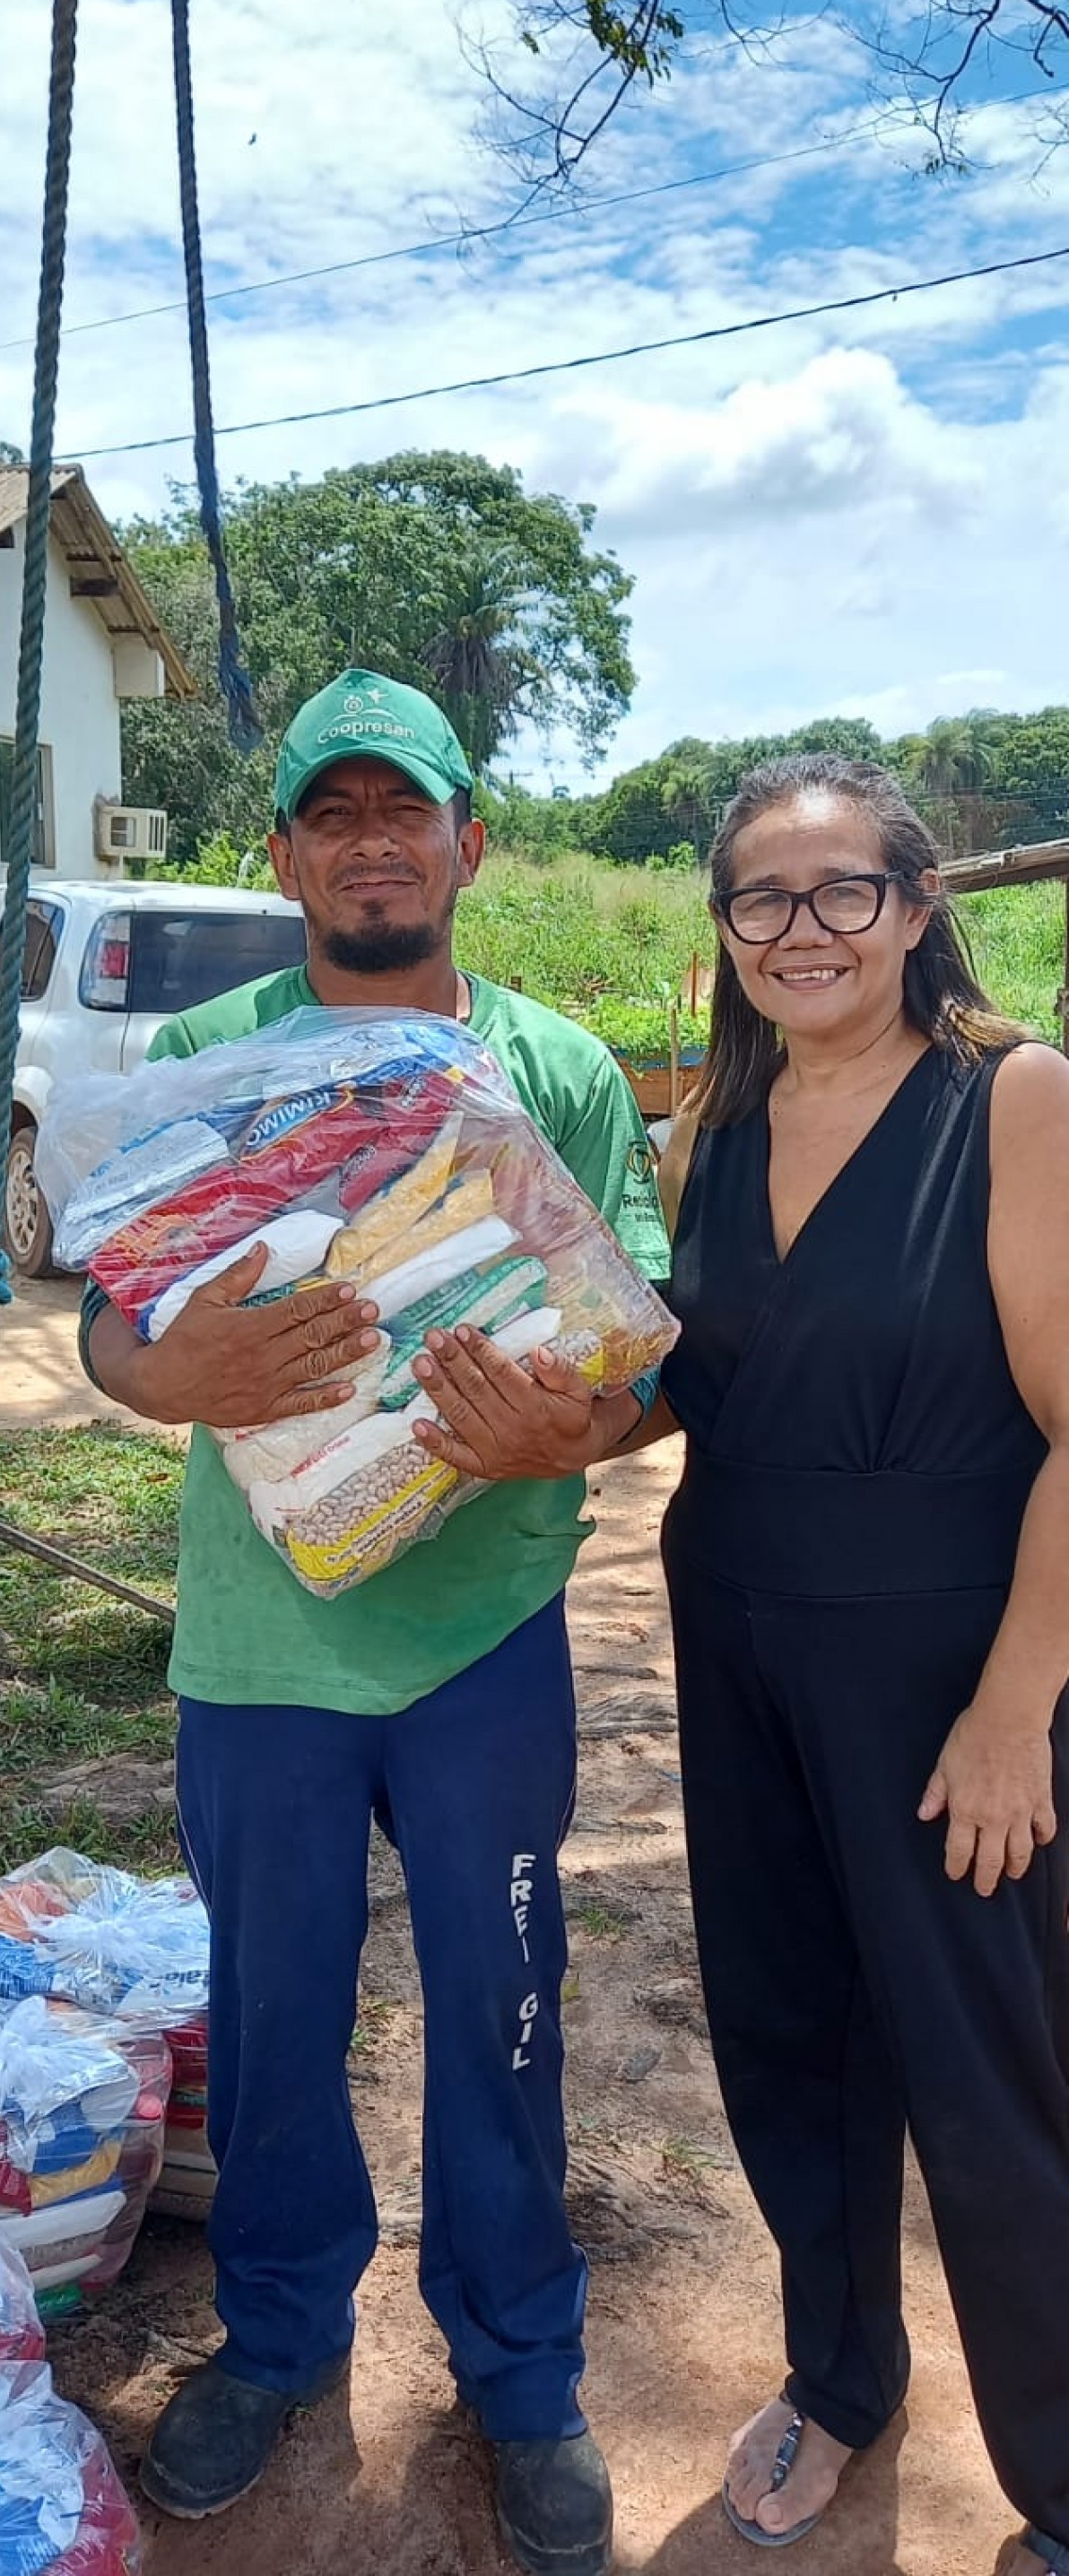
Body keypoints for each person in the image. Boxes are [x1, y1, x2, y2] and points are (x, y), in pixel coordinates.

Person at [80, 668, 672, 2574]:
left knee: (502, 2005)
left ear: (464, 842)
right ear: (282, 854)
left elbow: (639, 1347)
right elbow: (113, 1314)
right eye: (328, 815)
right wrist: (165, 1380)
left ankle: (520, 2377)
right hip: (262, 1649)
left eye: (399, 810)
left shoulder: (550, 1068)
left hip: (482, 1628)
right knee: (269, 2018)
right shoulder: (215, 1063)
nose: (368, 843)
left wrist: (564, 1430)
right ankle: (273, 2340)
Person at [656, 751, 1069, 2570]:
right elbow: (676, 1388)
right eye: (762, 895)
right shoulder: (709, 1126)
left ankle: (1058, 2468)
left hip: (936, 1676)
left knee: (986, 2077)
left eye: (843, 891)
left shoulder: (1014, 1099)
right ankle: (838, 2378)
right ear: (725, 926)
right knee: (782, 2036)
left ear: (915, 906)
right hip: (733, 1634)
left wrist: (1010, 1711)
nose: (801, 928)